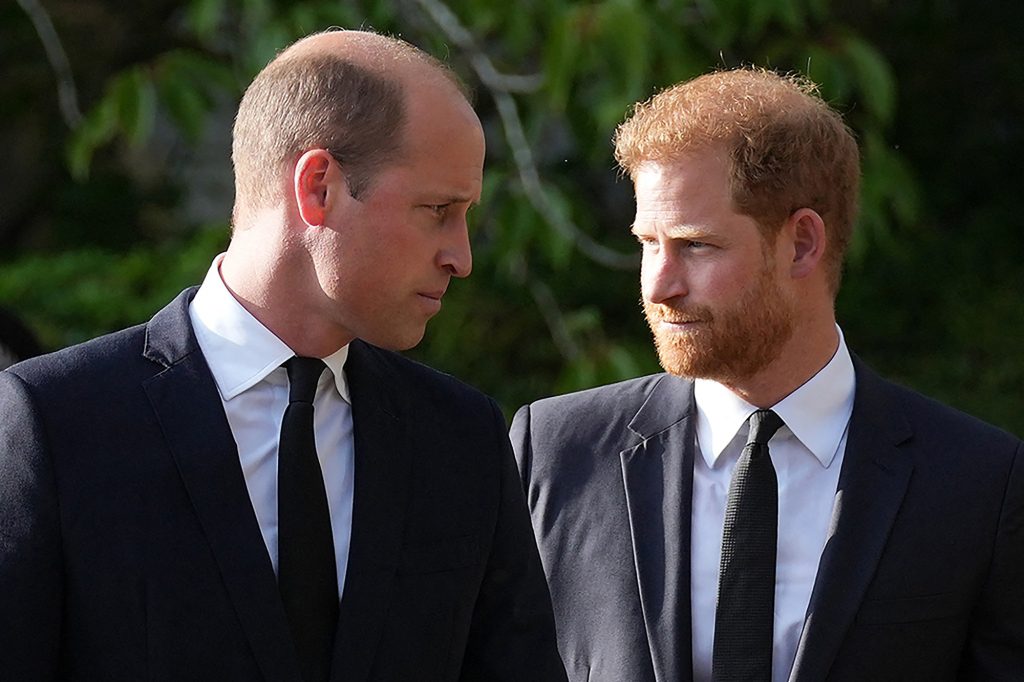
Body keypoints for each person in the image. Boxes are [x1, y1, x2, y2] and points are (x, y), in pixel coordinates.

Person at [0, 29, 566, 682]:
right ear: (318, 186)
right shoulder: (58, 422)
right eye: (437, 210)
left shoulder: (459, 437)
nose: (460, 258)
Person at [511, 67, 1023, 682]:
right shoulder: (557, 451)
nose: (657, 285)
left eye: (696, 245)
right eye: (649, 242)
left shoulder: (977, 484)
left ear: (802, 244)